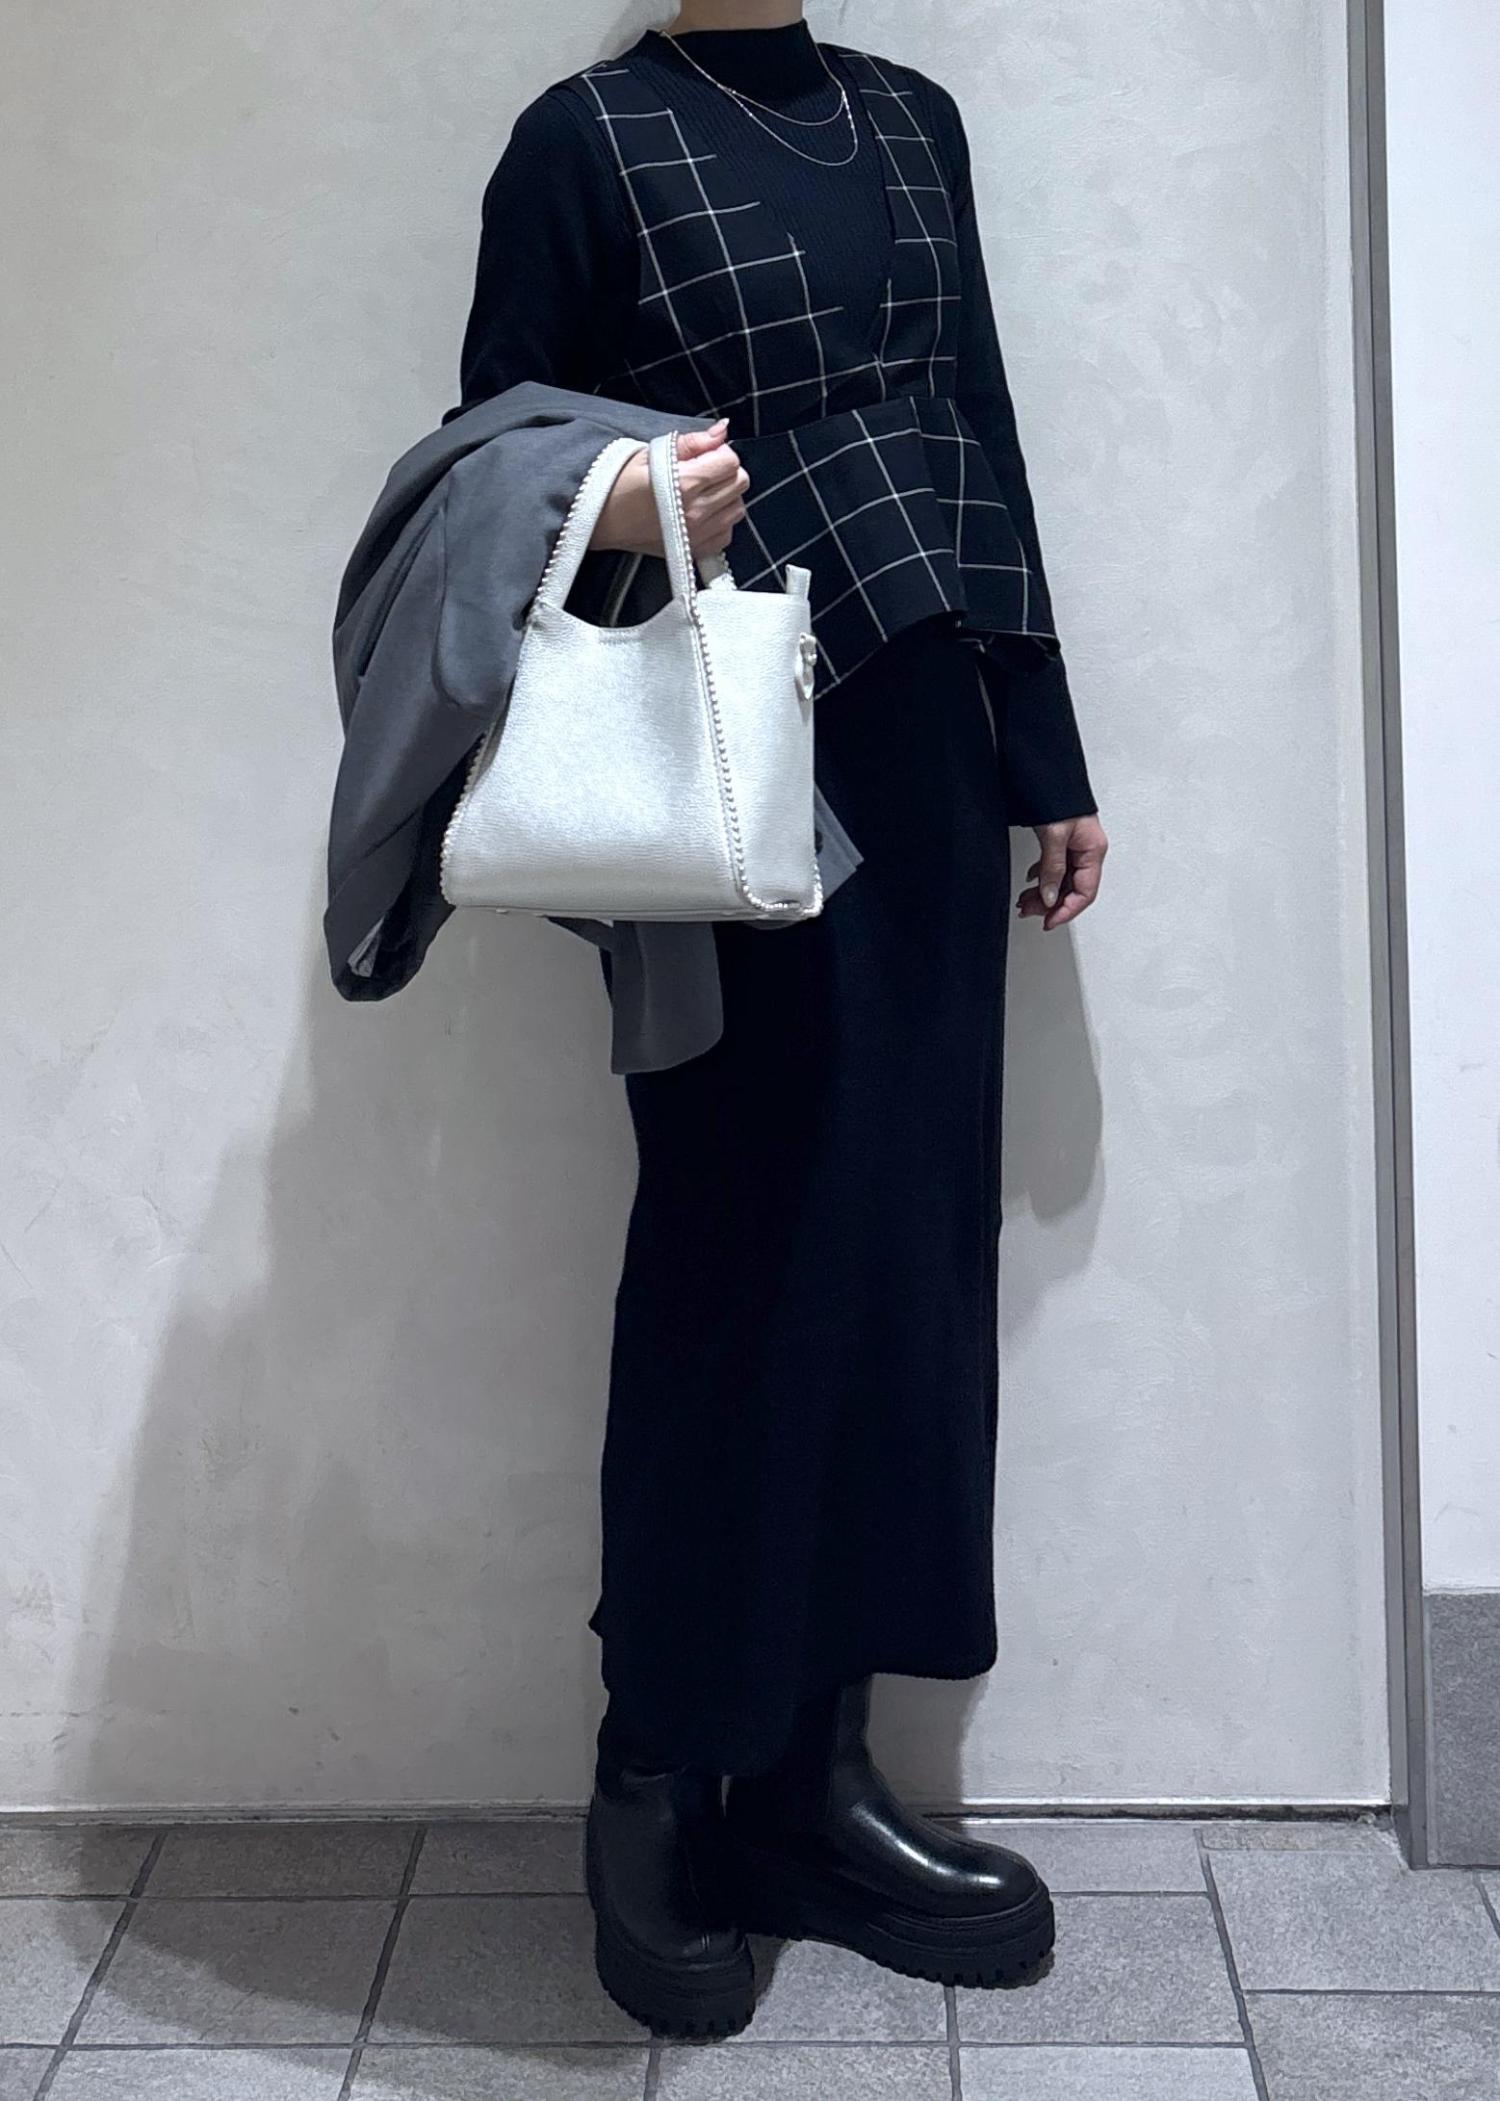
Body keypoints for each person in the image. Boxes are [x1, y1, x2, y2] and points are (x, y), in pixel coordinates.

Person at [450, 0, 1109, 2037]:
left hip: (920, 752)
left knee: (905, 1264)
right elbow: (487, 466)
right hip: (718, 784)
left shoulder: (913, 122)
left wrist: (1042, 748)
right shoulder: (582, 140)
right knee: (736, 1260)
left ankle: (813, 1784)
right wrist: (624, 501)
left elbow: (977, 424)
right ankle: (660, 1767)